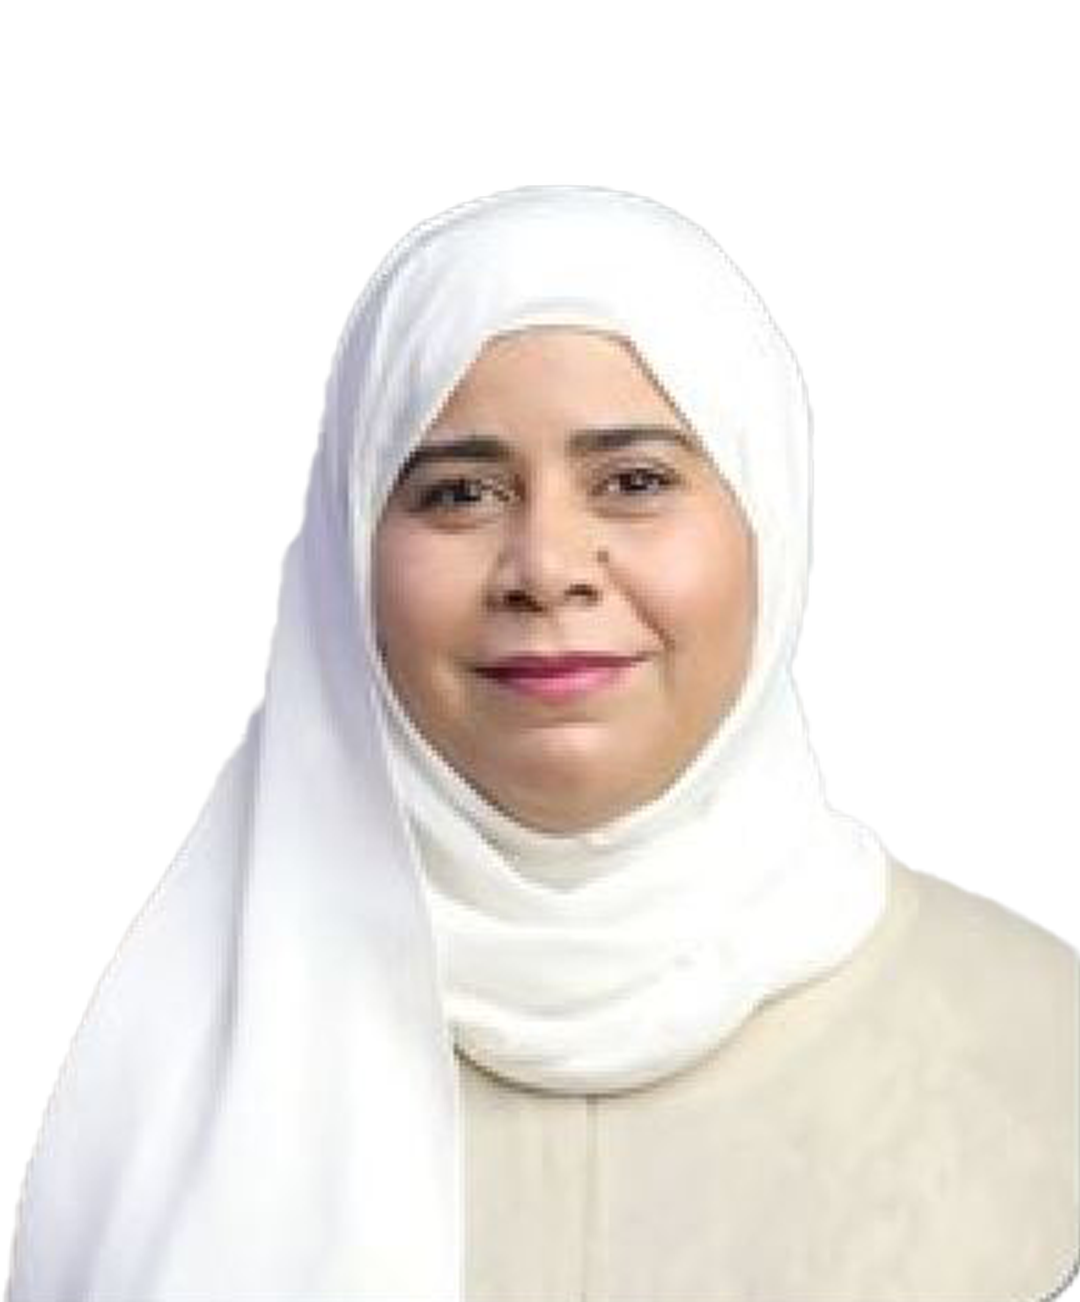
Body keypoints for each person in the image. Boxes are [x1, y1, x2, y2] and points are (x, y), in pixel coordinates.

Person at [9, 186, 1077, 1302]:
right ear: (349, 555)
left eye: (635, 481)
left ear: (769, 519)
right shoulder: (165, 1082)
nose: (547, 566)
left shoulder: (1040, 1053)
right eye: (459, 492)